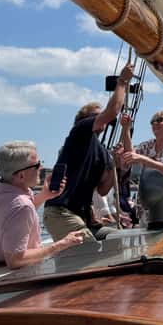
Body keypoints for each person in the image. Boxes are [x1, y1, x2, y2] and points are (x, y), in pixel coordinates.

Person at [44, 61, 133, 242]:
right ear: (83, 120)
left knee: (118, 241)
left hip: (83, 216)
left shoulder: (102, 152)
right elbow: (111, 112)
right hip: (61, 212)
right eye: (95, 116)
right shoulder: (79, 131)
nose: (101, 119)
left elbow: (102, 189)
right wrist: (122, 81)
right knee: (87, 252)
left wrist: (114, 165)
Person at [0, 141, 84, 269]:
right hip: (18, 277)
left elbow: (13, 215)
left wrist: (44, 195)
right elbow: (15, 260)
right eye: (37, 165)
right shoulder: (22, 206)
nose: (41, 168)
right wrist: (62, 244)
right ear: (21, 175)